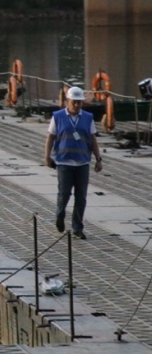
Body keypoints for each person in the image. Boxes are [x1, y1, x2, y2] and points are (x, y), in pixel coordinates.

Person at [44, 86, 103, 240]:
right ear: (67, 101)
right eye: (74, 102)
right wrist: (47, 156)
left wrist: (98, 159)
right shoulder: (58, 117)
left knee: (81, 197)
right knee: (64, 193)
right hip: (64, 162)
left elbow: (92, 139)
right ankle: (60, 214)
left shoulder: (88, 118)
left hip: (82, 163)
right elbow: (50, 137)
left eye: (79, 102)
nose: (76, 105)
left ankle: (77, 227)